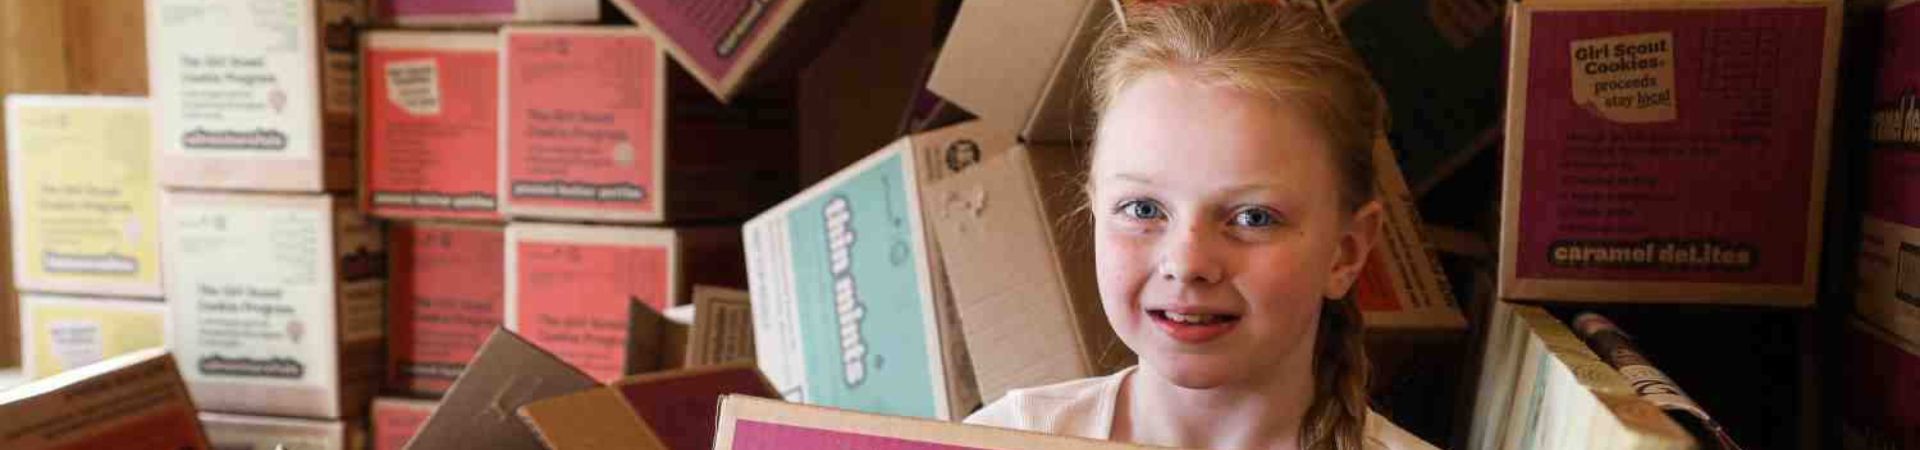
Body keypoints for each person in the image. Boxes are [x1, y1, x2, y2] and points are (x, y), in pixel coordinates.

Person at [964, 1, 1439, 449]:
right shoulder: (995, 440)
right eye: (1144, 209)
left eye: (1253, 218)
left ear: (1347, 252)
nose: (1188, 262)